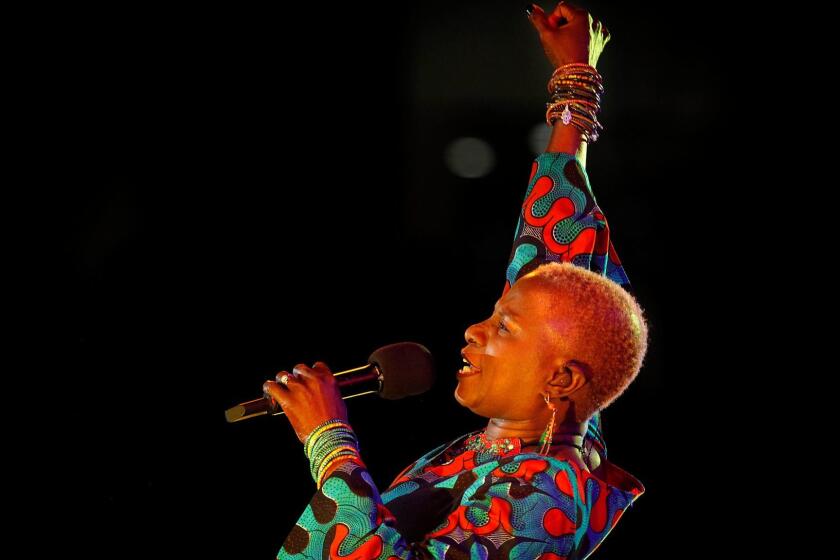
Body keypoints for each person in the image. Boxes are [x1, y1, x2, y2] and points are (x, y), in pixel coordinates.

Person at [264, 3, 649, 558]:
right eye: (495, 314)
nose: (472, 330)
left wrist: (330, 445)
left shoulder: (545, 502)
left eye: (505, 327)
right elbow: (555, 246)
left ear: (561, 379)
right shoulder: (547, 427)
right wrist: (575, 85)